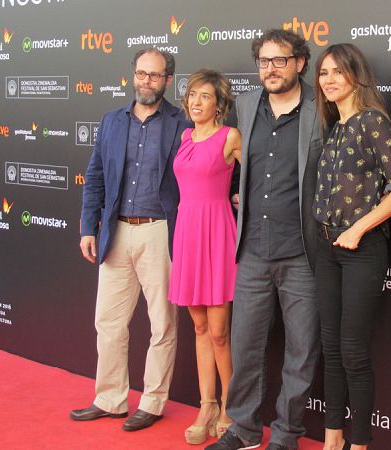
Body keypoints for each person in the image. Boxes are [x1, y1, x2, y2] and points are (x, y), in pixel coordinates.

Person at [206, 29, 322, 450]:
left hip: (303, 253)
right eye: (264, 62)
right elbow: (235, 163)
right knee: (247, 346)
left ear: (300, 63)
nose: (270, 69)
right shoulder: (246, 104)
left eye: (279, 60)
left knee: (301, 351)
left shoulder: (320, 107)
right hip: (252, 248)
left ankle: (287, 435)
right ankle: (243, 429)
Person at [71, 48, 191, 432]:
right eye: (141, 73)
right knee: (108, 321)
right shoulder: (111, 121)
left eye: (154, 75)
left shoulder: (182, 123)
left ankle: (154, 401)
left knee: (163, 324)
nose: (146, 81)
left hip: (160, 231)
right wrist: (89, 227)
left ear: (168, 80)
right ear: (133, 75)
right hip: (116, 230)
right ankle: (110, 398)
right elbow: (95, 178)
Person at [313, 43, 391, 450]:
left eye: (338, 71)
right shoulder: (335, 127)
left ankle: (359, 444)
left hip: (361, 250)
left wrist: (358, 229)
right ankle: (331, 440)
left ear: (357, 74)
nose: (330, 80)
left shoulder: (372, 121)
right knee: (332, 348)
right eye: (323, 73)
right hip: (326, 250)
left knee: (353, 351)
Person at [168, 69, 241, 445]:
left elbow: (261, 174)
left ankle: (231, 407)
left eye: (205, 96)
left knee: (219, 331)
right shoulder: (184, 137)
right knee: (198, 328)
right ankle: (207, 405)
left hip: (217, 235)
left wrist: (242, 197)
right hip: (187, 235)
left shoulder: (230, 137)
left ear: (219, 104)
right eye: (192, 95)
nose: (196, 102)